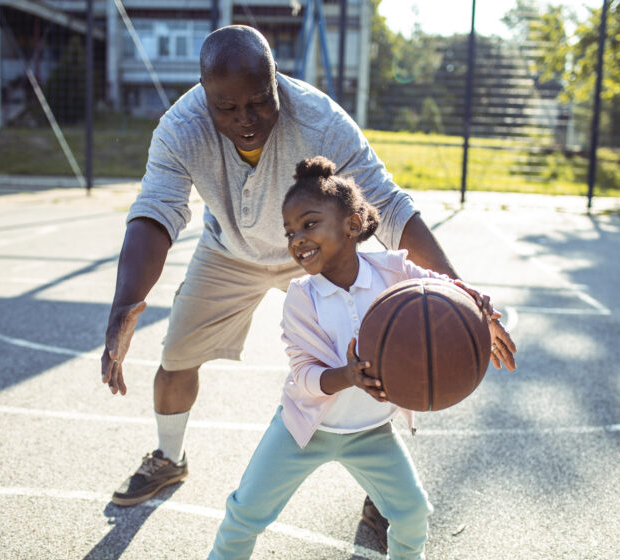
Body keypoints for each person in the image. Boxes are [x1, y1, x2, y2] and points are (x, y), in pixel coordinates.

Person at [100, 24, 517, 544]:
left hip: (318, 250)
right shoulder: (181, 127)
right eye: (227, 108)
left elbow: (386, 204)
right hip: (229, 250)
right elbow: (157, 211)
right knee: (176, 357)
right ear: (205, 96)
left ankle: (382, 491)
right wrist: (124, 303)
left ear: (277, 82)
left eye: (259, 101)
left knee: (402, 343)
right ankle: (169, 457)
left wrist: (461, 293)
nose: (245, 119)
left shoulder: (318, 117)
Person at [208, 156, 513, 559]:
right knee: (246, 511)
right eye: (290, 231)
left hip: (371, 432)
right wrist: (346, 376)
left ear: (353, 225)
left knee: (412, 514)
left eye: (309, 223)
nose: (297, 238)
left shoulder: (395, 272)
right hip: (306, 430)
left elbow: (444, 290)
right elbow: (303, 376)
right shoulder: (302, 297)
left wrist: (476, 307)